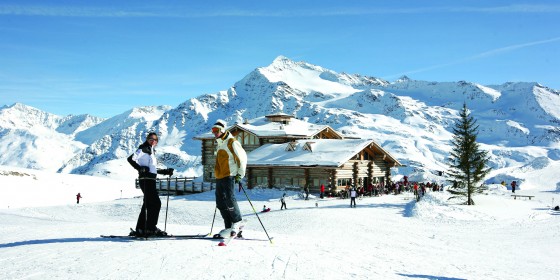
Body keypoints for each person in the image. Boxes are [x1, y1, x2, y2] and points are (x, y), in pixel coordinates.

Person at [127, 132, 174, 237]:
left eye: (155, 140)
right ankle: (150, 228)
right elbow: (130, 159)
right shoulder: (143, 148)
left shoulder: (151, 150)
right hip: (146, 180)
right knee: (156, 203)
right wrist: (140, 168)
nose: (153, 141)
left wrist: (165, 172)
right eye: (151, 139)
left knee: (147, 204)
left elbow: (152, 169)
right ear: (147, 139)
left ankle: (141, 228)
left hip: (150, 180)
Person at [211, 119, 247, 238]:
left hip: (230, 175)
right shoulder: (220, 143)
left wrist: (240, 174)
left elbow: (242, 158)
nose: (214, 133)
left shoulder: (231, 142)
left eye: (216, 130)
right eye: (213, 130)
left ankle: (237, 221)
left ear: (222, 130)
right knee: (220, 202)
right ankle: (228, 226)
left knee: (229, 199)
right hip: (220, 176)